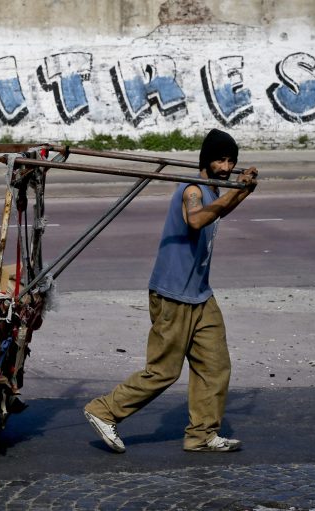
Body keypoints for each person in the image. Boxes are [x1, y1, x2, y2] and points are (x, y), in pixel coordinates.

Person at [83, 128, 258, 453]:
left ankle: (202, 435)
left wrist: (243, 192)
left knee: (215, 366)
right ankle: (103, 410)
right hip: (173, 296)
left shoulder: (214, 189)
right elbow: (195, 220)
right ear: (206, 161)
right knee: (163, 371)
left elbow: (219, 209)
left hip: (200, 295)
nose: (226, 166)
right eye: (220, 159)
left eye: (231, 161)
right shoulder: (192, 190)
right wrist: (234, 193)